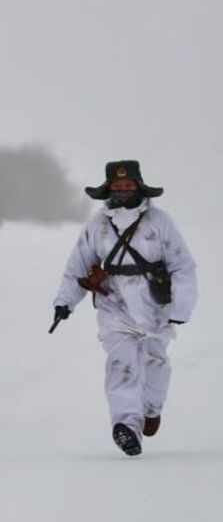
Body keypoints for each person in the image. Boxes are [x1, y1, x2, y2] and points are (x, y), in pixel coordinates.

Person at [52, 160, 197, 456]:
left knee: (155, 363)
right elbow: (77, 264)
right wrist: (65, 301)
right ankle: (126, 426)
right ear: (108, 189)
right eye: (117, 187)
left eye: (127, 185)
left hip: (155, 306)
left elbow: (182, 265)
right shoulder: (97, 225)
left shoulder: (160, 221)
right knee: (122, 365)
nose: (122, 190)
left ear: (138, 186)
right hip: (114, 304)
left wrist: (181, 307)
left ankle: (151, 407)